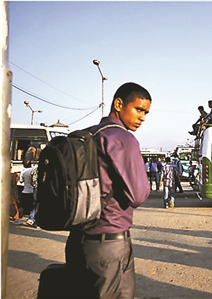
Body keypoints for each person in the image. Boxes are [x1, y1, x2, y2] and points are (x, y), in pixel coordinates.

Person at [65, 82, 152, 298]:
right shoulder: (123, 139)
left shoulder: (86, 135)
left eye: (146, 113)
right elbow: (138, 195)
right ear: (119, 103)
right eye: (138, 109)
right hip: (109, 244)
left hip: (77, 239)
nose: (142, 117)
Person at [13, 159, 34, 225]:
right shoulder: (34, 170)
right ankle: (31, 219)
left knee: (22, 206)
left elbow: (21, 181)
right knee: (33, 206)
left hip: (25, 190)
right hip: (33, 191)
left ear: (24, 165)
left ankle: (20, 219)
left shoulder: (23, 172)